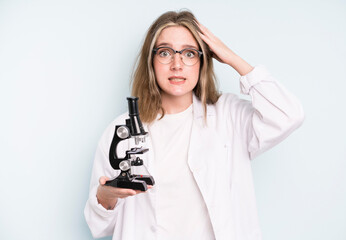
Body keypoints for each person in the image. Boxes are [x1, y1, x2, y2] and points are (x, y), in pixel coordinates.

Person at [84, 10, 304, 240]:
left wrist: (231, 57)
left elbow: (289, 115)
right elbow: (99, 227)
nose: (177, 64)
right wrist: (105, 195)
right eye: (165, 52)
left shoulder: (228, 115)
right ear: (151, 61)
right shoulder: (122, 130)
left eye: (189, 53)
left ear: (203, 60)